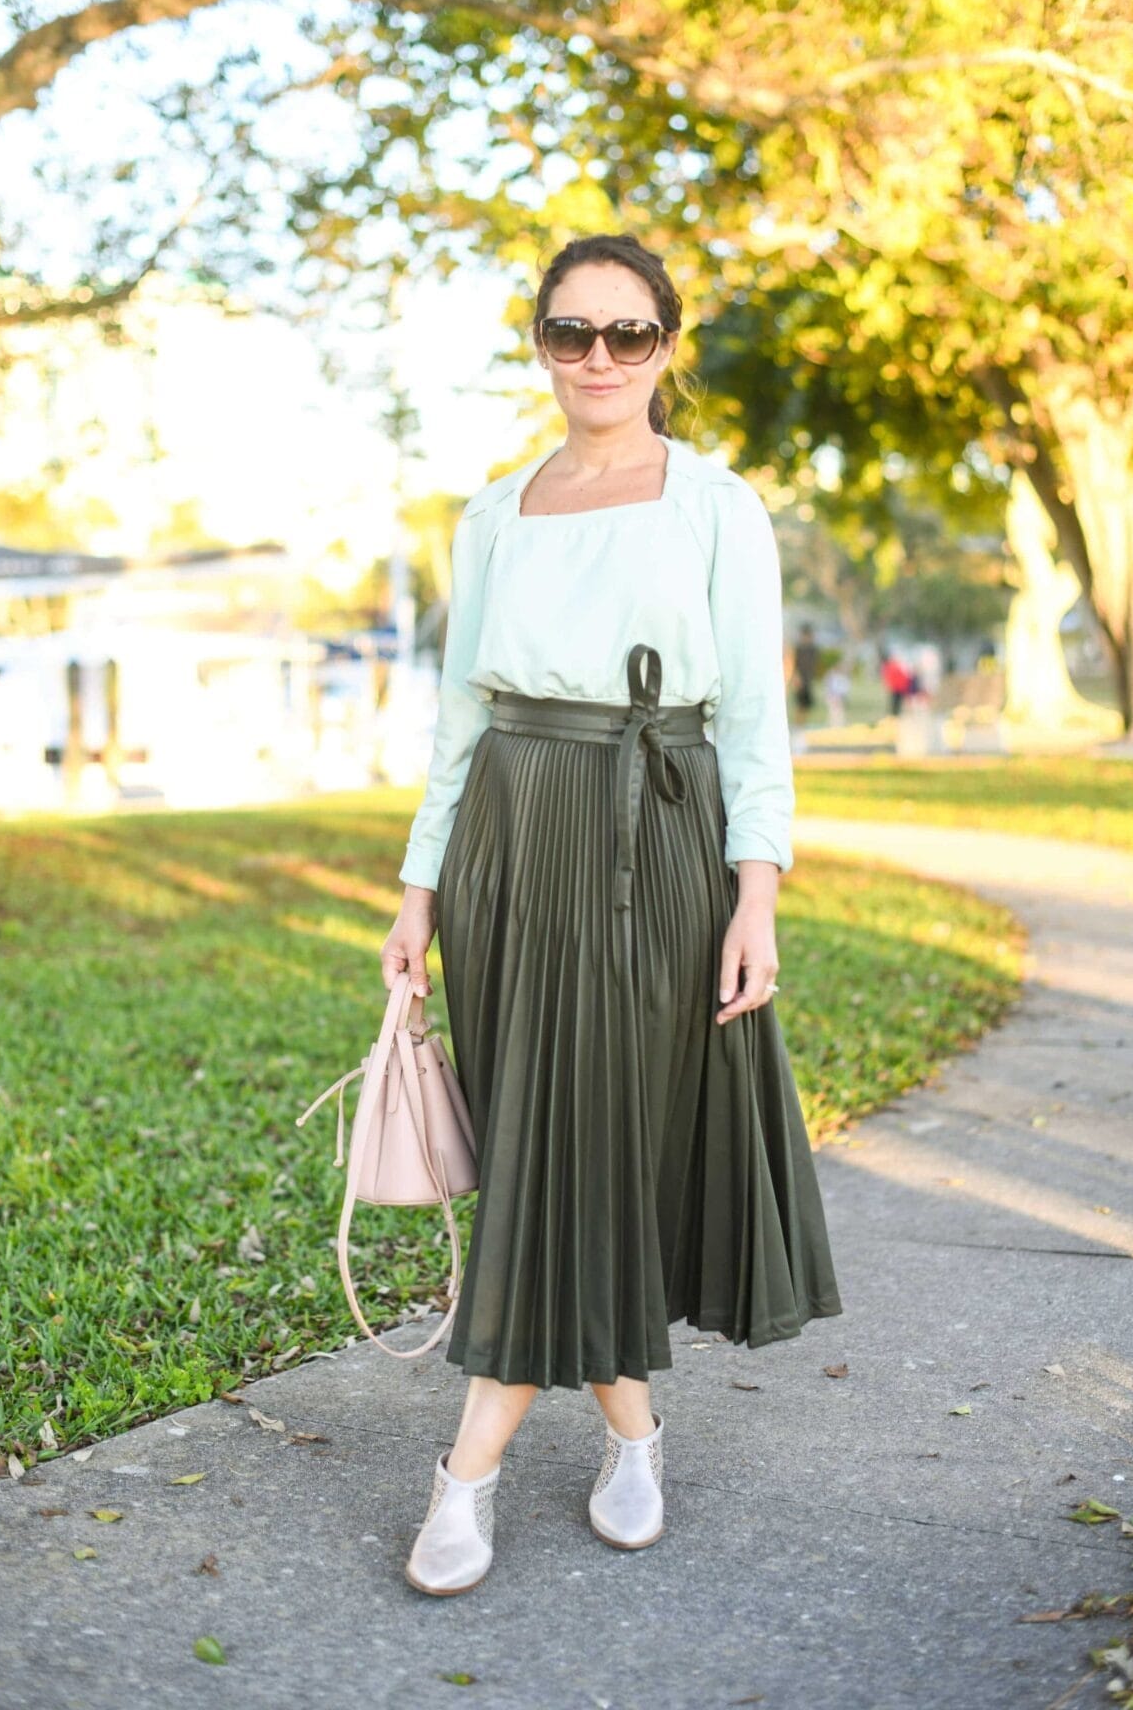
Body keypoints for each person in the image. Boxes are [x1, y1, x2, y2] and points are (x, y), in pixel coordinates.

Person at [381, 232, 843, 1598]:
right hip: (511, 846)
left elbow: (754, 719)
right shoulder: (491, 510)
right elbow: (458, 718)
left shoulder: (718, 506)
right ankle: (633, 1435)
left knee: (596, 1140)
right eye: (571, 332)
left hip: (660, 836)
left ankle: (465, 1475)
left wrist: (757, 889)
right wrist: (418, 890)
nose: (597, 359)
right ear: (538, 342)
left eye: (626, 335)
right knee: (542, 1132)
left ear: (665, 347)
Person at [791, 622, 819, 721]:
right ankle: (798, 725)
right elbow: (795, 665)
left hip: (808, 680)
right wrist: (795, 677)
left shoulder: (813, 649)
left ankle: (801, 724)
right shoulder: (799, 649)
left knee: (807, 705)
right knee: (800, 705)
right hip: (800, 680)